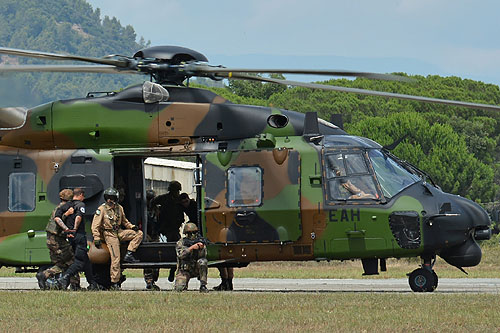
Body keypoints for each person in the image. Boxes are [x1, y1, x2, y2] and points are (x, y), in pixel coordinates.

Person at [91, 187, 143, 290]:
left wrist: (132, 227)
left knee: (139, 234)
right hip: (109, 234)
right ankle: (114, 282)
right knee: (116, 259)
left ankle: (129, 253)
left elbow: (124, 221)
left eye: (112, 198)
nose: (110, 200)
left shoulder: (119, 208)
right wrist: (96, 238)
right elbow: (95, 225)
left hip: (119, 232)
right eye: (108, 198)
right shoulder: (101, 210)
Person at [57, 188, 98, 291]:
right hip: (79, 236)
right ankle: (65, 277)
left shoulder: (66, 206)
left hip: (70, 237)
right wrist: (74, 229)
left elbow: (57, 218)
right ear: (80, 195)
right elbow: (78, 217)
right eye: (83, 196)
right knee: (79, 261)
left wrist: (66, 230)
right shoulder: (80, 205)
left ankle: (92, 283)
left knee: (86, 260)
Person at [36, 189, 78, 290]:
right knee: (72, 261)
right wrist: (67, 216)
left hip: (51, 240)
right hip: (57, 240)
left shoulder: (58, 207)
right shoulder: (63, 209)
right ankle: (75, 285)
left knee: (62, 264)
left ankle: (45, 275)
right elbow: (58, 220)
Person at [152, 180, 184, 282]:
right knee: (160, 252)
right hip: (164, 228)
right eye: (175, 190)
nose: (177, 192)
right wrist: (156, 212)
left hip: (174, 229)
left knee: (178, 251)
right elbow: (152, 203)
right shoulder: (164, 199)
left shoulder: (179, 200)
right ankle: (156, 273)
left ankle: (172, 270)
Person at [174, 223, 208, 293]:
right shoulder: (181, 242)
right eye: (190, 233)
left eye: (194, 232)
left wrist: (200, 248)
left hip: (196, 268)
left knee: (203, 262)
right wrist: (191, 248)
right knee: (179, 288)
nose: (192, 235)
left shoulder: (200, 242)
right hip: (185, 270)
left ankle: (203, 285)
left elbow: (204, 256)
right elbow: (180, 255)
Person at [143, 189, 160, 291]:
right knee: (148, 258)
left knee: (157, 258)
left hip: (155, 236)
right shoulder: (142, 209)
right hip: (147, 235)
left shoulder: (157, 210)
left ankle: (153, 279)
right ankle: (149, 281)